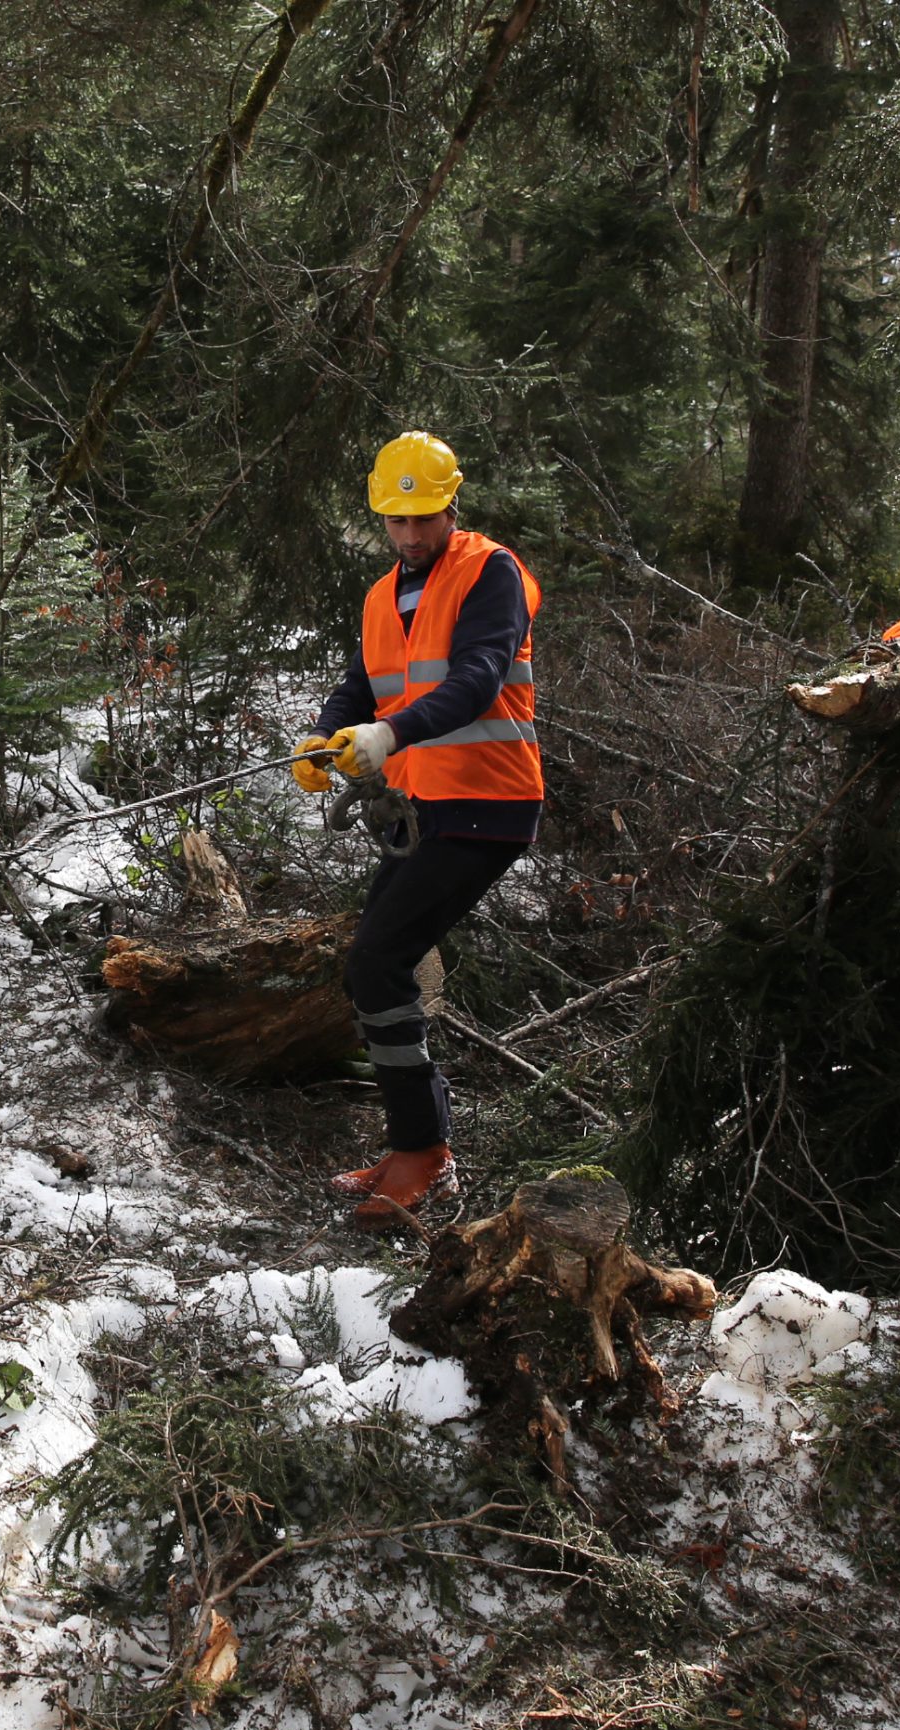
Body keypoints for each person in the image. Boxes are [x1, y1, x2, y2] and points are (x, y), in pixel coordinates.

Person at [290, 431, 542, 1226]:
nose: (410, 535)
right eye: (396, 522)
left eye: (424, 518)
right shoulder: (379, 597)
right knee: (374, 965)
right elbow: (361, 682)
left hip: (489, 803)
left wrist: (391, 734)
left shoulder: (491, 572)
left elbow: (476, 678)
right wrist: (323, 736)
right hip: (425, 810)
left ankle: (425, 1154)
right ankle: (417, 1146)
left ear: (451, 505)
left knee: (379, 958)